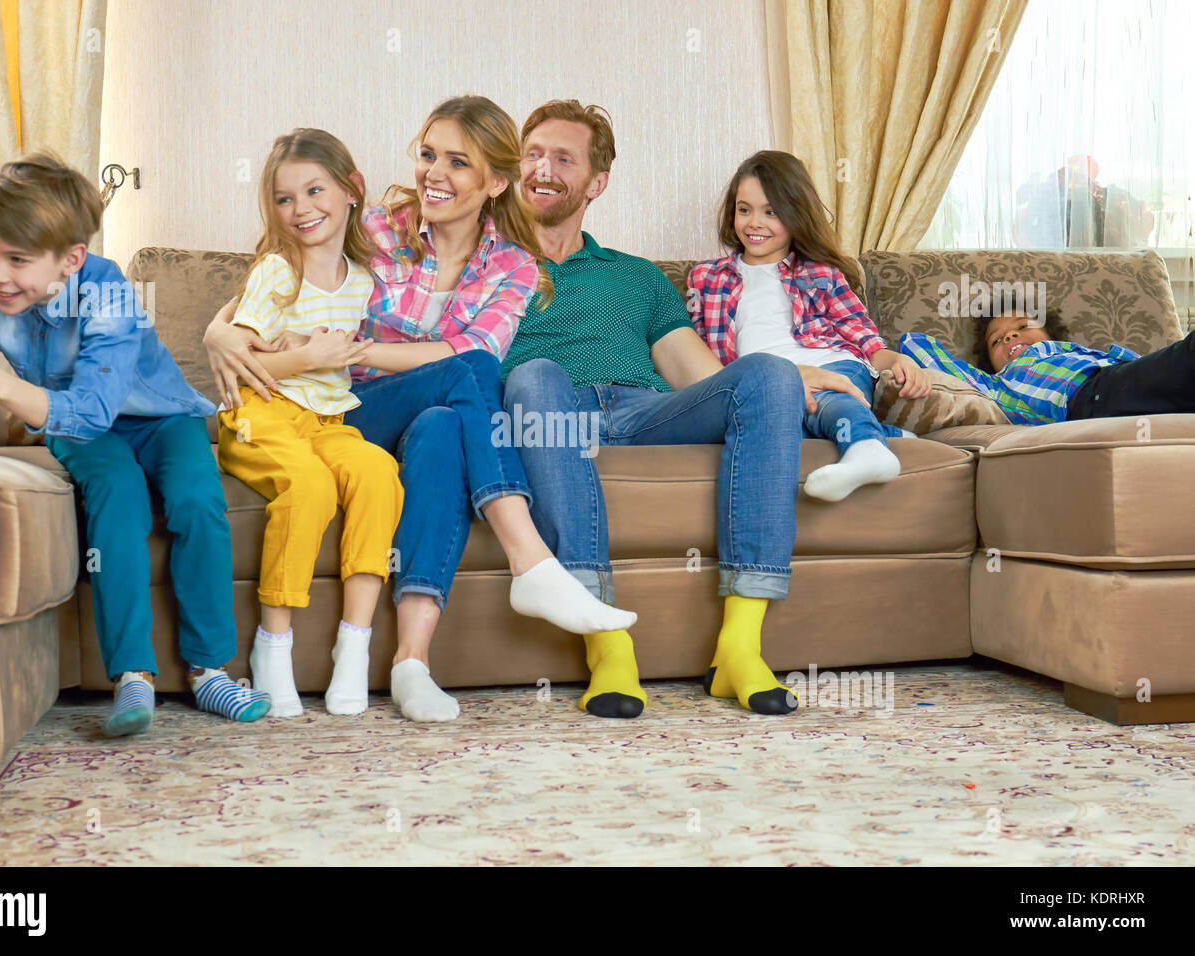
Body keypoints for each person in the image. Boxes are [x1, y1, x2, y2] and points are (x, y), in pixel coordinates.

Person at [203, 96, 636, 722]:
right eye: (429, 154)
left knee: (444, 418)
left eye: (459, 162)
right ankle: (529, 559)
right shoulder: (379, 228)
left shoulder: (514, 265)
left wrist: (364, 345)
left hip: (427, 418)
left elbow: (475, 348)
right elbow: (276, 276)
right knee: (470, 373)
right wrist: (220, 331)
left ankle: (411, 662)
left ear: (496, 182)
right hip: (347, 411)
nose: (434, 172)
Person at [502, 101, 867, 719]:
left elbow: (699, 374)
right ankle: (608, 647)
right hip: (547, 413)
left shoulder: (638, 277)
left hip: (642, 413)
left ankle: (739, 650)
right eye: (533, 154)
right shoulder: (488, 268)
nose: (542, 168)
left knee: (769, 375)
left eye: (563, 158)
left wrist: (790, 373)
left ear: (596, 183)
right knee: (537, 375)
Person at [0, 153, 270, 736]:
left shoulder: (108, 293)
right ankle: (132, 674)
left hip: (160, 418)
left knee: (197, 499)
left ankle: (211, 671)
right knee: (117, 495)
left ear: (72, 259)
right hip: (79, 431)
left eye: (17, 259)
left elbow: (94, 408)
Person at [217, 129, 404, 718]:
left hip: (327, 419)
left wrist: (316, 350)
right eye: (284, 198)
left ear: (353, 192)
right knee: (310, 486)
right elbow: (242, 355)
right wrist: (309, 354)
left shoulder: (366, 281)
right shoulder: (278, 270)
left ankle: (354, 647)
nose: (301, 210)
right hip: (261, 411)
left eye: (314, 190)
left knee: (377, 472)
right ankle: (271, 648)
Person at [687, 150, 928, 503]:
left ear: (796, 215)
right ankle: (885, 436)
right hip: (765, 380)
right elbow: (698, 349)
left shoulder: (821, 273)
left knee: (827, 400)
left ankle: (866, 449)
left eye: (771, 212)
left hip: (831, 364)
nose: (755, 222)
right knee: (770, 427)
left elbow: (861, 335)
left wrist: (896, 361)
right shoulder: (707, 277)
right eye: (744, 209)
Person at [896, 306, 1186, 425]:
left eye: (1023, 326)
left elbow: (1147, 369)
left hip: (1123, 378)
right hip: (1090, 399)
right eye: (996, 341)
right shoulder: (994, 384)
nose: (1009, 335)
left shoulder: (1082, 354)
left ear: (1050, 336)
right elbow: (914, 343)